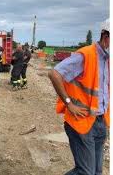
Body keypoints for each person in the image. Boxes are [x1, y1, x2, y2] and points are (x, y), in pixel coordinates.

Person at [48, 19, 110, 175]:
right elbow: (54, 74)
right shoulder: (86, 55)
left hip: (100, 121)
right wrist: (69, 103)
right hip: (80, 122)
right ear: (105, 36)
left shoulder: (108, 60)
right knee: (85, 172)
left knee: (96, 171)